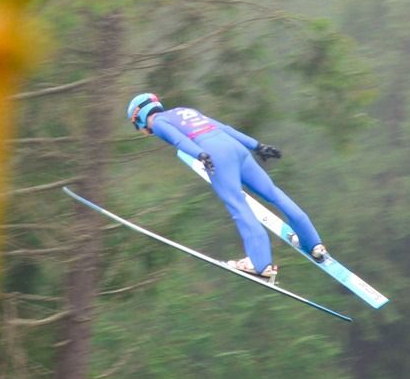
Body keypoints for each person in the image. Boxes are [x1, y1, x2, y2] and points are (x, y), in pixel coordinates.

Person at [126, 92, 327, 281]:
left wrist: (199, 154)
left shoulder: (159, 122)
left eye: (137, 125)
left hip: (214, 154)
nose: (142, 131)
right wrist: (257, 146)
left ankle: (261, 264)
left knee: (237, 205)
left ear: (140, 117)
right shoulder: (181, 111)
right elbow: (225, 128)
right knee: (273, 193)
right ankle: (313, 243)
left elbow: (179, 140)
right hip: (235, 147)